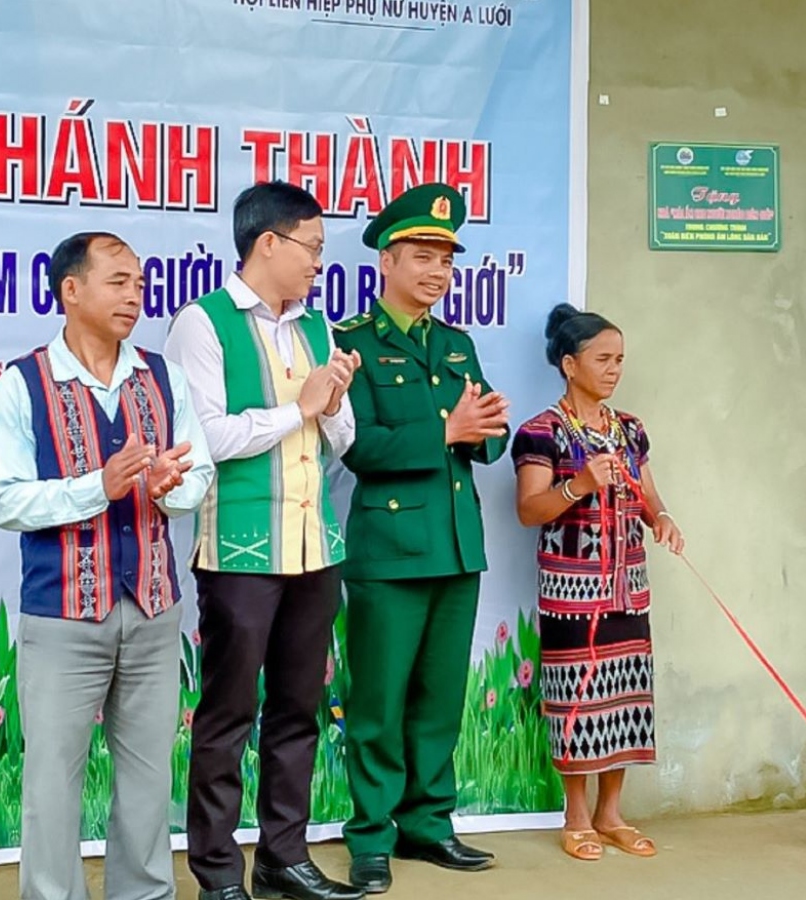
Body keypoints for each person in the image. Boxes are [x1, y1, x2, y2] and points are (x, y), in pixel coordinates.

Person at [0, 231, 214, 900]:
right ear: (71, 290)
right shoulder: (23, 383)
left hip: (152, 607)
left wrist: (177, 488)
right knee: (52, 782)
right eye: (117, 282)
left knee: (148, 778)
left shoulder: (161, 375)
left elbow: (198, 466)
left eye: (139, 283)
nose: (134, 295)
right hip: (62, 617)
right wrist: (98, 485)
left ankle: (144, 894)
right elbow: (5, 500)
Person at [163, 182, 364, 900]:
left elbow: (337, 437)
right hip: (241, 557)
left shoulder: (317, 328)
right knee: (226, 716)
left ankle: (285, 857)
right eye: (311, 247)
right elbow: (204, 437)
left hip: (316, 550)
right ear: (268, 244)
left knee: (298, 710)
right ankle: (218, 874)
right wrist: (297, 408)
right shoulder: (204, 324)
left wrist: (333, 406)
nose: (318, 262)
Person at [332, 183, 510, 894]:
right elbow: (359, 447)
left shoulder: (457, 344)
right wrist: (444, 431)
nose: (437, 272)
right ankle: (370, 837)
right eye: (423, 257)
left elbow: (485, 438)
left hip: (455, 544)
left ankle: (428, 826)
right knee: (377, 701)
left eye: (446, 260)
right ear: (387, 259)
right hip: (389, 549)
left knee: (440, 698)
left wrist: (486, 426)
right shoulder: (351, 343)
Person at [512, 304, 683, 862]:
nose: (614, 370)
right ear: (569, 363)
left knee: (627, 696)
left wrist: (662, 518)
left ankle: (612, 814)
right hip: (571, 593)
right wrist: (579, 484)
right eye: (603, 359)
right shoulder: (541, 433)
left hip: (627, 586)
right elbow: (529, 510)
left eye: (620, 360)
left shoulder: (629, 429)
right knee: (578, 699)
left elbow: (647, 492)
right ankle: (577, 816)